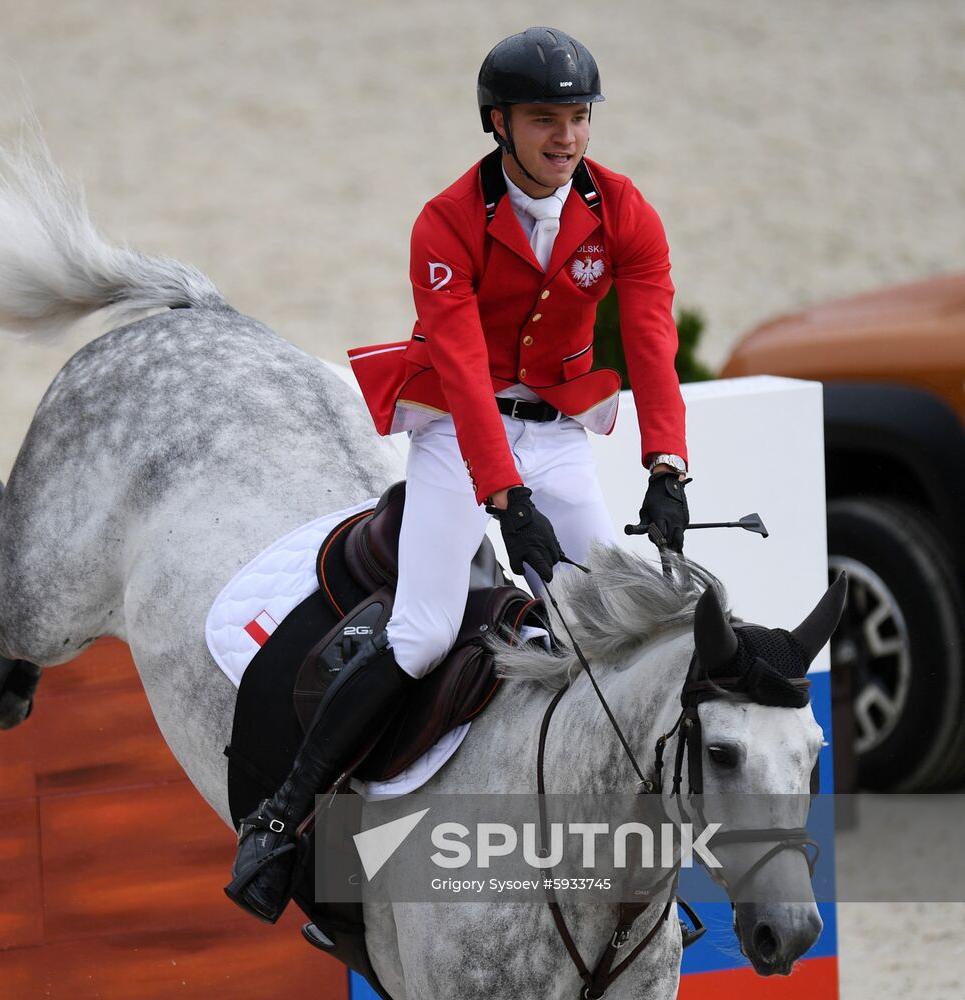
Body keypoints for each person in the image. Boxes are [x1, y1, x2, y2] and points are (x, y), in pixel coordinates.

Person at [226, 26, 691, 923]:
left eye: (580, 117)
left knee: (615, 624)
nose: (567, 137)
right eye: (545, 119)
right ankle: (282, 818)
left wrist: (666, 466)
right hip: (456, 427)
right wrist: (503, 498)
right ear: (499, 123)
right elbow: (466, 371)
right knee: (425, 632)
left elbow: (652, 342)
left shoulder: (625, 211)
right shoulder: (446, 223)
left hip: (557, 431)